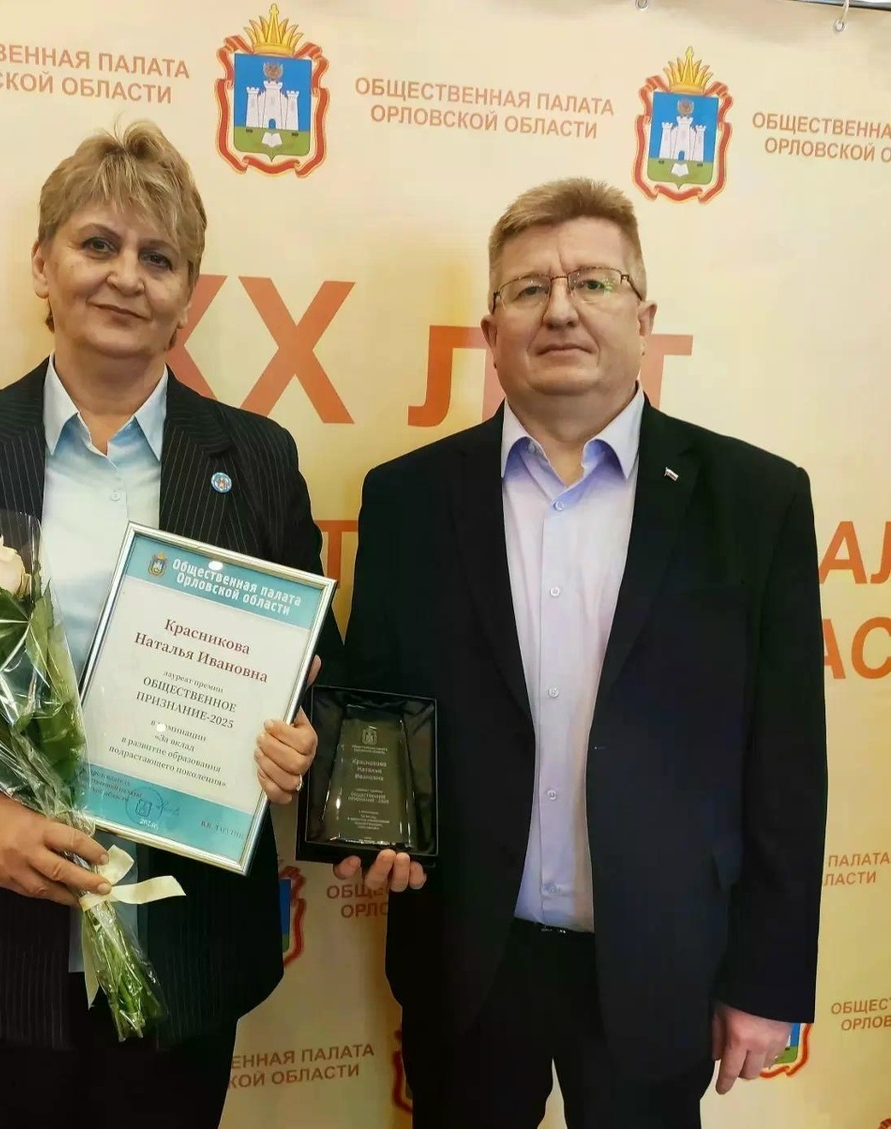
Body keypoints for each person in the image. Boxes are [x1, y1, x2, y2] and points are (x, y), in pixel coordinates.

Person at [0, 120, 342, 1129]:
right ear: (43, 265)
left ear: (188, 293)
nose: (127, 276)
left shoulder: (259, 460)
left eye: (159, 258)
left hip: (184, 955)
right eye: (98, 244)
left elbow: (319, 675)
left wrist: (301, 742)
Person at [335, 178, 827, 1129]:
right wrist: (362, 819)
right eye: (529, 288)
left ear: (644, 320)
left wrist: (767, 979)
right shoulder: (407, 498)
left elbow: (787, 767)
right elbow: (375, 704)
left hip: (661, 963)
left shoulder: (755, 502)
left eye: (593, 283)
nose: (560, 309)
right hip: (466, 961)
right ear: (492, 332)